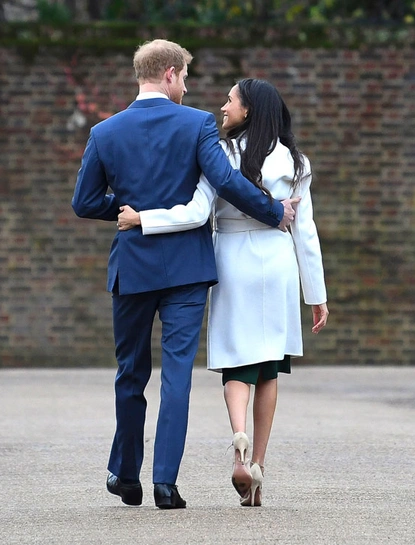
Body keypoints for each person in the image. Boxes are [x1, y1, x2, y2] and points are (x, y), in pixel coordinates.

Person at [71, 40, 299, 510]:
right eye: (186, 79)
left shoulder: (104, 132)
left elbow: (84, 202)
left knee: (130, 373)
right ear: (171, 74)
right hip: (187, 270)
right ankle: (165, 485)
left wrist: (130, 211)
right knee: (176, 376)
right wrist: (274, 212)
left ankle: (125, 473)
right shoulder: (196, 124)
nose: (188, 88)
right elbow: (227, 182)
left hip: (132, 268)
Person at [117, 78, 329, 507]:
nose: (223, 106)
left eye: (230, 100)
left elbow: (197, 212)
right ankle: (259, 466)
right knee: (270, 366)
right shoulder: (296, 161)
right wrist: (316, 295)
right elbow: (305, 232)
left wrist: (144, 219)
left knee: (236, 359)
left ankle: (239, 443)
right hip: (279, 261)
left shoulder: (221, 153)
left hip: (233, 258)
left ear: (248, 110)